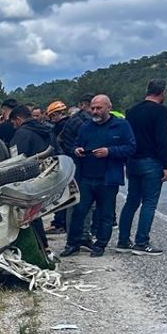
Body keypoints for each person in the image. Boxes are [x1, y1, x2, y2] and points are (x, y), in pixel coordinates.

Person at [62, 95, 135, 258]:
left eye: (99, 108)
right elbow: (75, 144)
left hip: (108, 179)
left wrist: (110, 151)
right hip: (86, 178)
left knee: (106, 214)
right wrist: (77, 150)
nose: (95, 111)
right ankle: (73, 243)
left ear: (108, 108)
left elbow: (130, 148)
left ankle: (100, 245)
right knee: (78, 212)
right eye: (93, 108)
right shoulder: (86, 127)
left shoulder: (121, 126)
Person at [117, 79, 167, 256]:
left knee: (132, 201)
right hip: (151, 161)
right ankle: (142, 241)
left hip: (133, 161)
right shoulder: (160, 111)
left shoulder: (131, 111)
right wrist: (165, 165)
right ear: (162, 92)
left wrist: (126, 162)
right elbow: (162, 139)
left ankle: (123, 240)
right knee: (149, 202)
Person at [47, 95, 94, 234]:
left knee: (68, 197)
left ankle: (64, 226)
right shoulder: (77, 123)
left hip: (69, 164)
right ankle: (79, 231)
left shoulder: (62, 126)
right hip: (78, 164)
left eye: (51, 116)